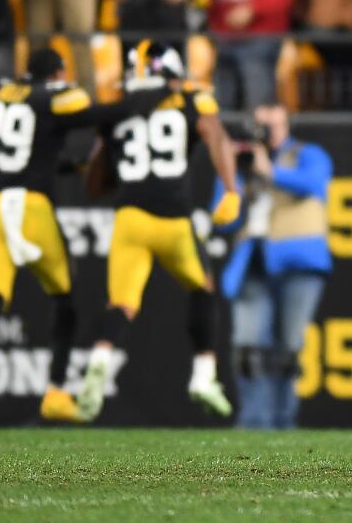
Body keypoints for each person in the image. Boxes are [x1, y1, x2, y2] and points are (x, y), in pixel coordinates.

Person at [0, 47, 170, 422]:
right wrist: (155, 95)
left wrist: (63, 165)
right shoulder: (54, 98)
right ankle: (56, 392)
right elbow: (104, 114)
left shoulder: (4, 94)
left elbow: (31, 147)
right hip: (31, 209)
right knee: (66, 302)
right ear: (58, 74)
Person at [78, 41, 241, 420]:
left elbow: (95, 180)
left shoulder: (118, 110)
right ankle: (203, 374)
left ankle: (99, 361)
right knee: (202, 288)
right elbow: (216, 135)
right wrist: (231, 189)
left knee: (121, 304)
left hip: (130, 219)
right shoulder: (189, 101)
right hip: (173, 221)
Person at [214, 103, 332, 428]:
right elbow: (222, 218)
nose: (266, 133)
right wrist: (234, 180)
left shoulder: (307, 154)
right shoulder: (240, 162)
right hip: (253, 262)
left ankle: (283, 424)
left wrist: (271, 171)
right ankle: (254, 423)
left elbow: (314, 184)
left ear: (286, 126)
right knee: (250, 349)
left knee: (288, 350)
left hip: (298, 262)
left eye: (273, 125)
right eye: (260, 125)